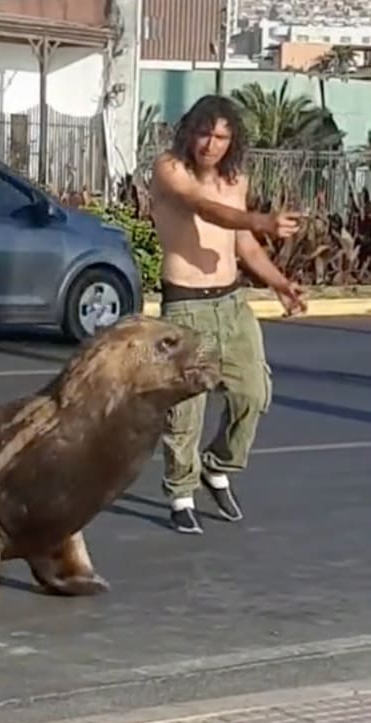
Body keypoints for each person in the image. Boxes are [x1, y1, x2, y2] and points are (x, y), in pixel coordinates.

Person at [149, 94, 307, 534]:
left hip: (233, 304)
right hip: (186, 304)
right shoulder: (170, 169)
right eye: (204, 133)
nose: (211, 145)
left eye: (221, 137)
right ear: (190, 131)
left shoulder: (234, 179)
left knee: (253, 394)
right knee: (186, 409)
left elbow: (243, 245)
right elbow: (203, 209)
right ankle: (181, 493)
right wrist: (258, 220)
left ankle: (217, 465)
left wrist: (279, 283)